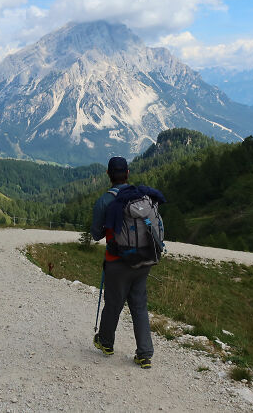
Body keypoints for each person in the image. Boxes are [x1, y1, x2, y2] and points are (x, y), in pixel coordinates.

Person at [90, 156, 166, 369]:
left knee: (114, 303)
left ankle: (106, 342)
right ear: (128, 173)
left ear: (108, 174)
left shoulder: (105, 200)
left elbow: (96, 234)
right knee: (139, 305)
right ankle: (144, 354)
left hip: (118, 261)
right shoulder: (141, 197)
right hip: (145, 259)